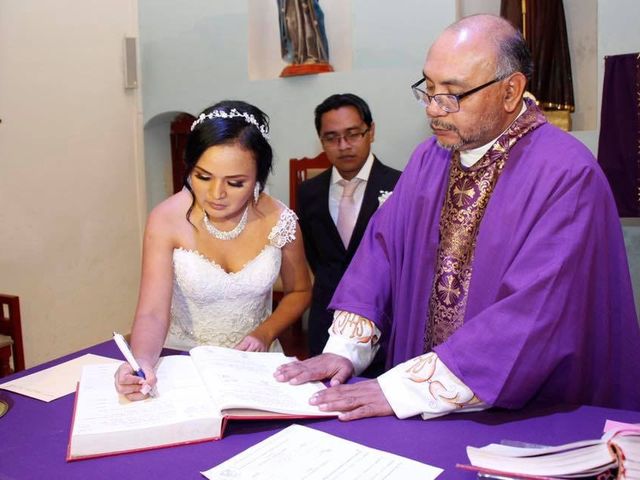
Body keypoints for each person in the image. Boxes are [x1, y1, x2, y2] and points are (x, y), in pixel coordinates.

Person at [275, 14, 640, 420]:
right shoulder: (428, 159)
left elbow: (538, 311)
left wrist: (404, 388)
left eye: (452, 94)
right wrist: (345, 349)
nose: (433, 109)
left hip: (527, 415)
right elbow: (382, 251)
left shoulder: (566, 174)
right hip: (420, 405)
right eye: (428, 88)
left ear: (510, 91)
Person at [116, 100, 312, 400]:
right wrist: (142, 361)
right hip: (183, 362)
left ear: (259, 177)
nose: (216, 194)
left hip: (254, 366)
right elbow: (153, 313)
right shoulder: (165, 219)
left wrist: (265, 332)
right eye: (203, 177)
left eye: (235, 183)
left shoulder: (280, 221)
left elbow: (300, 291)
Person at [296, 93, 401, 373]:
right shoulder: (308, 192)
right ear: (321, 141)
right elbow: (316, 257)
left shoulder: (400, 185)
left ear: (371, 131)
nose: (343, 146)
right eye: (332, 138)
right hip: (325, 319)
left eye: (353, 134)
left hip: (383, 323)